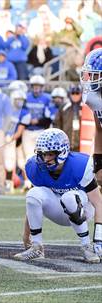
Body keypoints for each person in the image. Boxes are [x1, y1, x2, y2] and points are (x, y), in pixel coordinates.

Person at [14, 129, 101, 263]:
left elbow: (98, 203)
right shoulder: (34, 167)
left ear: (62, 152)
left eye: (50, 154)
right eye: (42, 154)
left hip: (84, 210)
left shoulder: (80, 165)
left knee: (69, 197)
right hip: (57, 209)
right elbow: (33, 202)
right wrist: (27, 235)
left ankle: (86, 246)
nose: (45, 159)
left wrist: (99, 239)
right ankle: (36, 247)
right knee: (32, 194)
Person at [80, 48, 102, 257]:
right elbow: (99, 127)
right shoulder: (94, 99)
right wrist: (97, 157)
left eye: (95, 75)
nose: (90, 79)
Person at [22, 75, 52, 171]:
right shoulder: (26, 97)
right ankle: (28, 182)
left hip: (41, 131)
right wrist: (27, 120)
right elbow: (21, 112)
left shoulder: (47, 98)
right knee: (28, 157)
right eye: (34, 86)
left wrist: (38, 121)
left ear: (42, 87)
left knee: (41, 156)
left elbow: (49, 117)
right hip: (27, 130)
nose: (36, 88)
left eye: (38, 86)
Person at [4, 90, 31, 193]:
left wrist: (10, 138)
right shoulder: (7, 110)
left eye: (21, 100)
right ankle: (8, 183)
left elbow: (20, 130)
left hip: (19, 139)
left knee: (22, 162)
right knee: (8, 162)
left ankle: (28, 183)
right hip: (7, 138)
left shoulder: (25, 112)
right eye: (17, 99)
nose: (19, 102)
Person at [53, 86, 83, 152]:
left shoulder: (85, 108)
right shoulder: (64, 107)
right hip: (65, 144)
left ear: (81, 94)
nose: (75, 95)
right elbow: (56, 124)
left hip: (81, 146)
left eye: (77, 93)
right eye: (73, 93)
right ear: (69, 94)